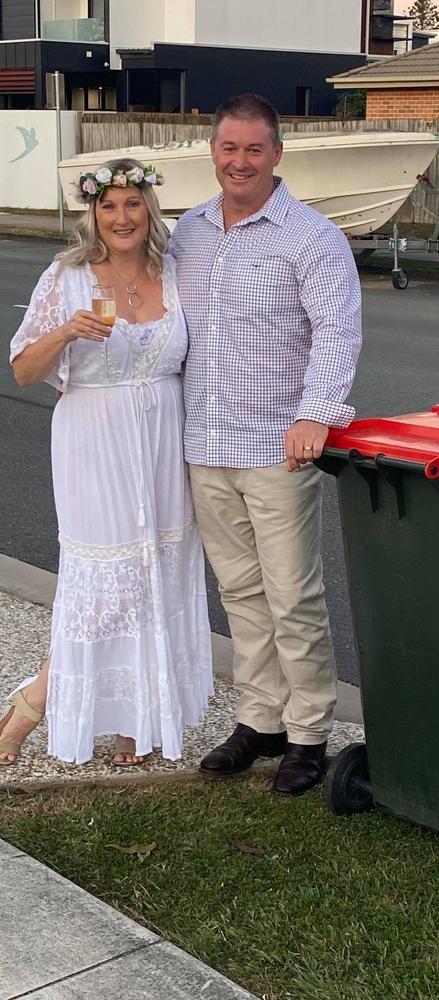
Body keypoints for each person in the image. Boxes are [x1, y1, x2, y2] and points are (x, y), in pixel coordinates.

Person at [169, 93, 362, 796]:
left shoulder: (312, 238)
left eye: (254, 149)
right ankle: (262, 720)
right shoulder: (187, 232)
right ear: (212, 152)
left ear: (277, 153)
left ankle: (311, 732)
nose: (240, 162)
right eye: (228, 148)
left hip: (278, 448)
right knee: (241, 594)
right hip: (205, 442)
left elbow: (337, 331)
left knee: (292, 595)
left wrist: (317, 415)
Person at [5, 158, 214, 767]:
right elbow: (22, 371)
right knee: (102, 585)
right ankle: (31, 706)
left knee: (157, 576)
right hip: (94, 442)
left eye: (132, 203)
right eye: (108, 205)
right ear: (92, 213)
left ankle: (137, 719)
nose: (121, 217)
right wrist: (65, 333)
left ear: (149, 208)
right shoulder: (66, 276)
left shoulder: (175, 275)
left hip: (164, 445)